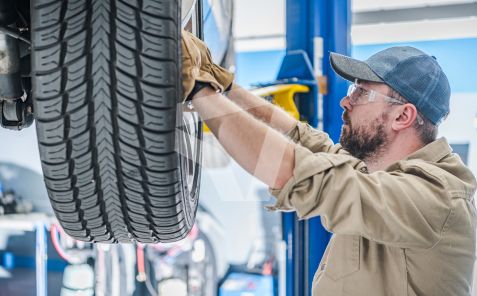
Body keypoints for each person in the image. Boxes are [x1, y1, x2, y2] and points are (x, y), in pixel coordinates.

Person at [181, 31, 477, 295]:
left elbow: (298, 175)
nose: (345, 102)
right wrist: (227, 87)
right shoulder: (382, 174)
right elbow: (303, 137)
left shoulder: (436, 198)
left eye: (361, 93)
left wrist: (200, 92)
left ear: (402, 116)